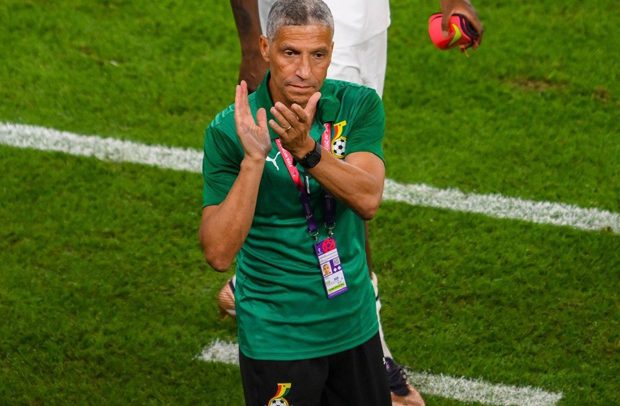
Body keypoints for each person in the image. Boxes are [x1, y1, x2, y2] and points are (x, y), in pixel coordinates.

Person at [222, 0, 483, 405]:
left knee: (351, 172)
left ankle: (253, 286)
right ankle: (375, 353)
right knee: (331, 179)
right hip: (304, 27)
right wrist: (249, 43)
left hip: (367, 25)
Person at [200, 1, 393, 403]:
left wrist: (306, 150)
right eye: (290, 53)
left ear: (331, 53)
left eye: (317, 55)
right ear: (265, 48)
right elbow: (218, 252)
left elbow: (367, 198)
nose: (304, 71)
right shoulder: (229, 130)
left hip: (354, 326)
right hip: (277, 337)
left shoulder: (358, 105)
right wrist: (254, 160)